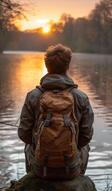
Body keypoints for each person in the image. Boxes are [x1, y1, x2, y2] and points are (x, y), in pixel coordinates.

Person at [18, 44, 94, 179]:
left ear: (47, 66)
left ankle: (34, 177)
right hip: (70, 170)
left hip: (40, 170)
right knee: (86, 147)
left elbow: (24, 134)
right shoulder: (81, 97)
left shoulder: (33, 96)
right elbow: (86, 136)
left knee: (28, 145)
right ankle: (76, 180)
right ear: (68, 66)